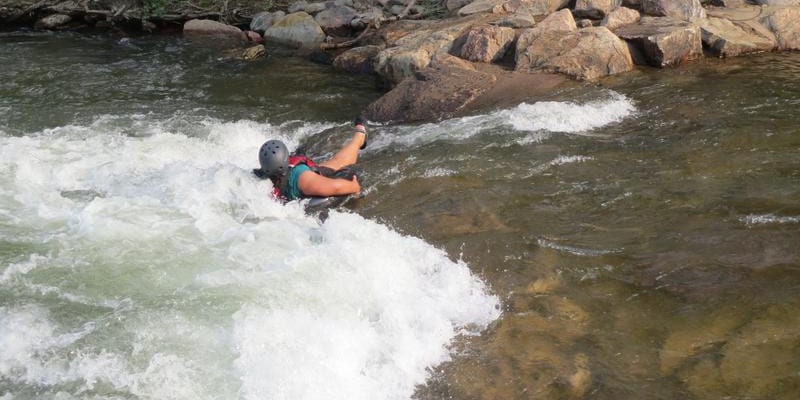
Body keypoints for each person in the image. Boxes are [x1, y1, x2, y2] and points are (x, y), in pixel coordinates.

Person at [254, 117, 368, 201]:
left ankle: (360, 135)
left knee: (337, 163)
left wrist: (354, 186)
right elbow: (335, 187)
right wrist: (354, 187)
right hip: (306, 179)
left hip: (305, 181)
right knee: (338, 164)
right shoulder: (300, 176)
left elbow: (334, 187)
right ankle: (360, 134)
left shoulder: (265, 175)